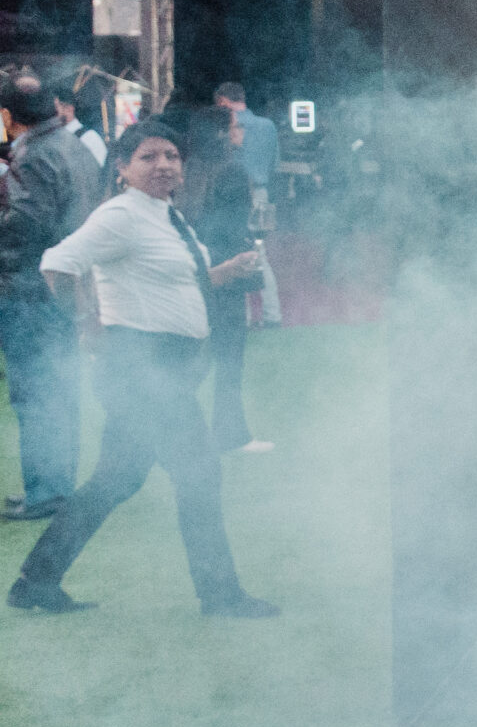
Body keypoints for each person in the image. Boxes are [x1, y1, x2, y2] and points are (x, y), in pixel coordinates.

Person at [12, 122, 275, 616]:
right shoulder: (122, 215)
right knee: (199, 474)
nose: (163, 165)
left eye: (171, 156)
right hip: (141, 369)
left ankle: (36, 581)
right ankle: (220, 595)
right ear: (123, 168)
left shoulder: (167, 217)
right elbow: (58, 262)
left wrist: (228, 271)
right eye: (148, 157)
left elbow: (181, 282)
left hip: (161, 368)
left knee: (116, 479)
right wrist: (86, 323)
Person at [1, 72, 104, 520]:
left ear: (8, 116)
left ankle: (46, 492)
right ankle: (54, 485)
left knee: (37, 391)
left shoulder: (35, 154)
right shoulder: (71, 145)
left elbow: (25, 227)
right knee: (57, 386)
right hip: (64, 283)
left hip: (31, 288)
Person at [183, 107, 270, 454]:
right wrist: (245, 253)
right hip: (227, 271)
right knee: (228, 358)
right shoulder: (231, 170)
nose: (240, 132)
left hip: (197, 270)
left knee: (199, 354)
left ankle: (165, 422)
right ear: (221, 134)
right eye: (235, 127)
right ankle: (230, 434)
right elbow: (232, 227)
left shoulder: (191, 168)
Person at [213, 82, 283, 325]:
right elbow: (275, 164)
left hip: (236, 195)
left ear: (223, 101)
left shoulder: (226, 125)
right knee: (260, 254)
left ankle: (243, 317)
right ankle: (272, 315)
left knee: (236, 251)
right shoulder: (268, 126)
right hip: (261, 193)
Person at [53, 77, 106, 165]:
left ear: (69, 109)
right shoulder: (54, 137)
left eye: (55, 107)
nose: (52, 112)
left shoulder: (89, 139)